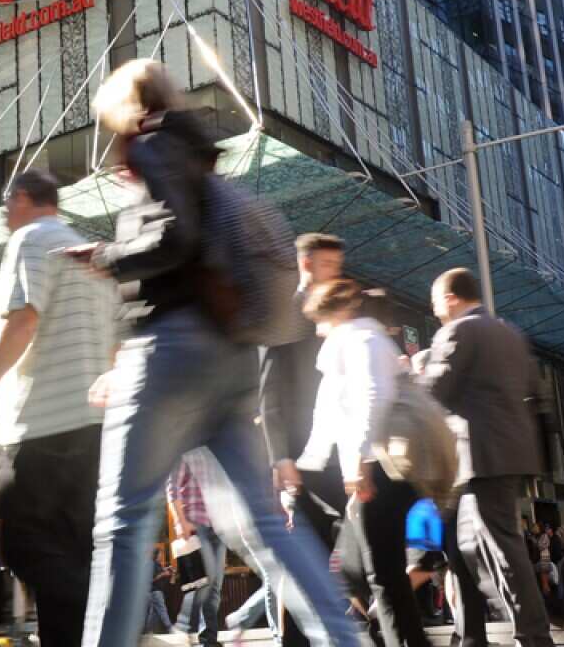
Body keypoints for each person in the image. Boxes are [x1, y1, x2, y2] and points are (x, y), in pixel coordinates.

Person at [74, 59, 358, 647]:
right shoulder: (200, 152)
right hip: (231, 358)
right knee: (260, 521)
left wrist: (106, 258)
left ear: (128, 106)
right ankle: (343, 639)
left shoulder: (154, 144)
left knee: (122, 523)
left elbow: (174, 238)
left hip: (172, 349)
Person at [0, 170, 118, 647]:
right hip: (92, 429)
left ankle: (115, 619)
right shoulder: (92, 258)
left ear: (22, 199)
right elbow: (114, 349)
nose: (5, 214)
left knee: (25, 548)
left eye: (6, 204)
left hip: (37, 426)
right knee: (74, 552)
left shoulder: (30, 238)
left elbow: (23, 320)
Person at [419, 267, 555, 647]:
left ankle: (535, 635)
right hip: (506, 452)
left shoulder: (458, 331)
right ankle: (477, 633)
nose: (435, 312)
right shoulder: (510, 332)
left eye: (435, 304)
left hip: (482, 454)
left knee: (500, 546)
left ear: (449, 298)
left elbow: (434, 391)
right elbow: (533, 392)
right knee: (470, 544)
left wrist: (406, 381)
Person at [300, 279, 428, 647]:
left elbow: (374, 397)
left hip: (380, 469)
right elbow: (326, 417)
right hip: (373, 467)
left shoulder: (361, 340)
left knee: (382, 574)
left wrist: (359, 461)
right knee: (377, 572)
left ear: (338, 313)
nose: (319, 329)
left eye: (321, 320)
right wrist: (310, 462)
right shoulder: (349, 346)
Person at [258, 232, 347, 647]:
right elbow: (268, 390)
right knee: (306, 554)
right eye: (330, 266)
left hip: (339, 451)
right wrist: (281, 457)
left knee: (344, 546)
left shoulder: (337, 314)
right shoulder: (287, 313)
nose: (336, 274)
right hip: (304, 457)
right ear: (308, 264)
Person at [167, 454, 227, 647]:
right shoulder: (186, 450)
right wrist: (179, 521)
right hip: (195, 525)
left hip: (218, 526)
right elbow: (172, 487)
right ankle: (201, 636)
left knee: (214, 586)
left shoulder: (216, 452)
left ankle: (206, 638)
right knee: (203, 584)